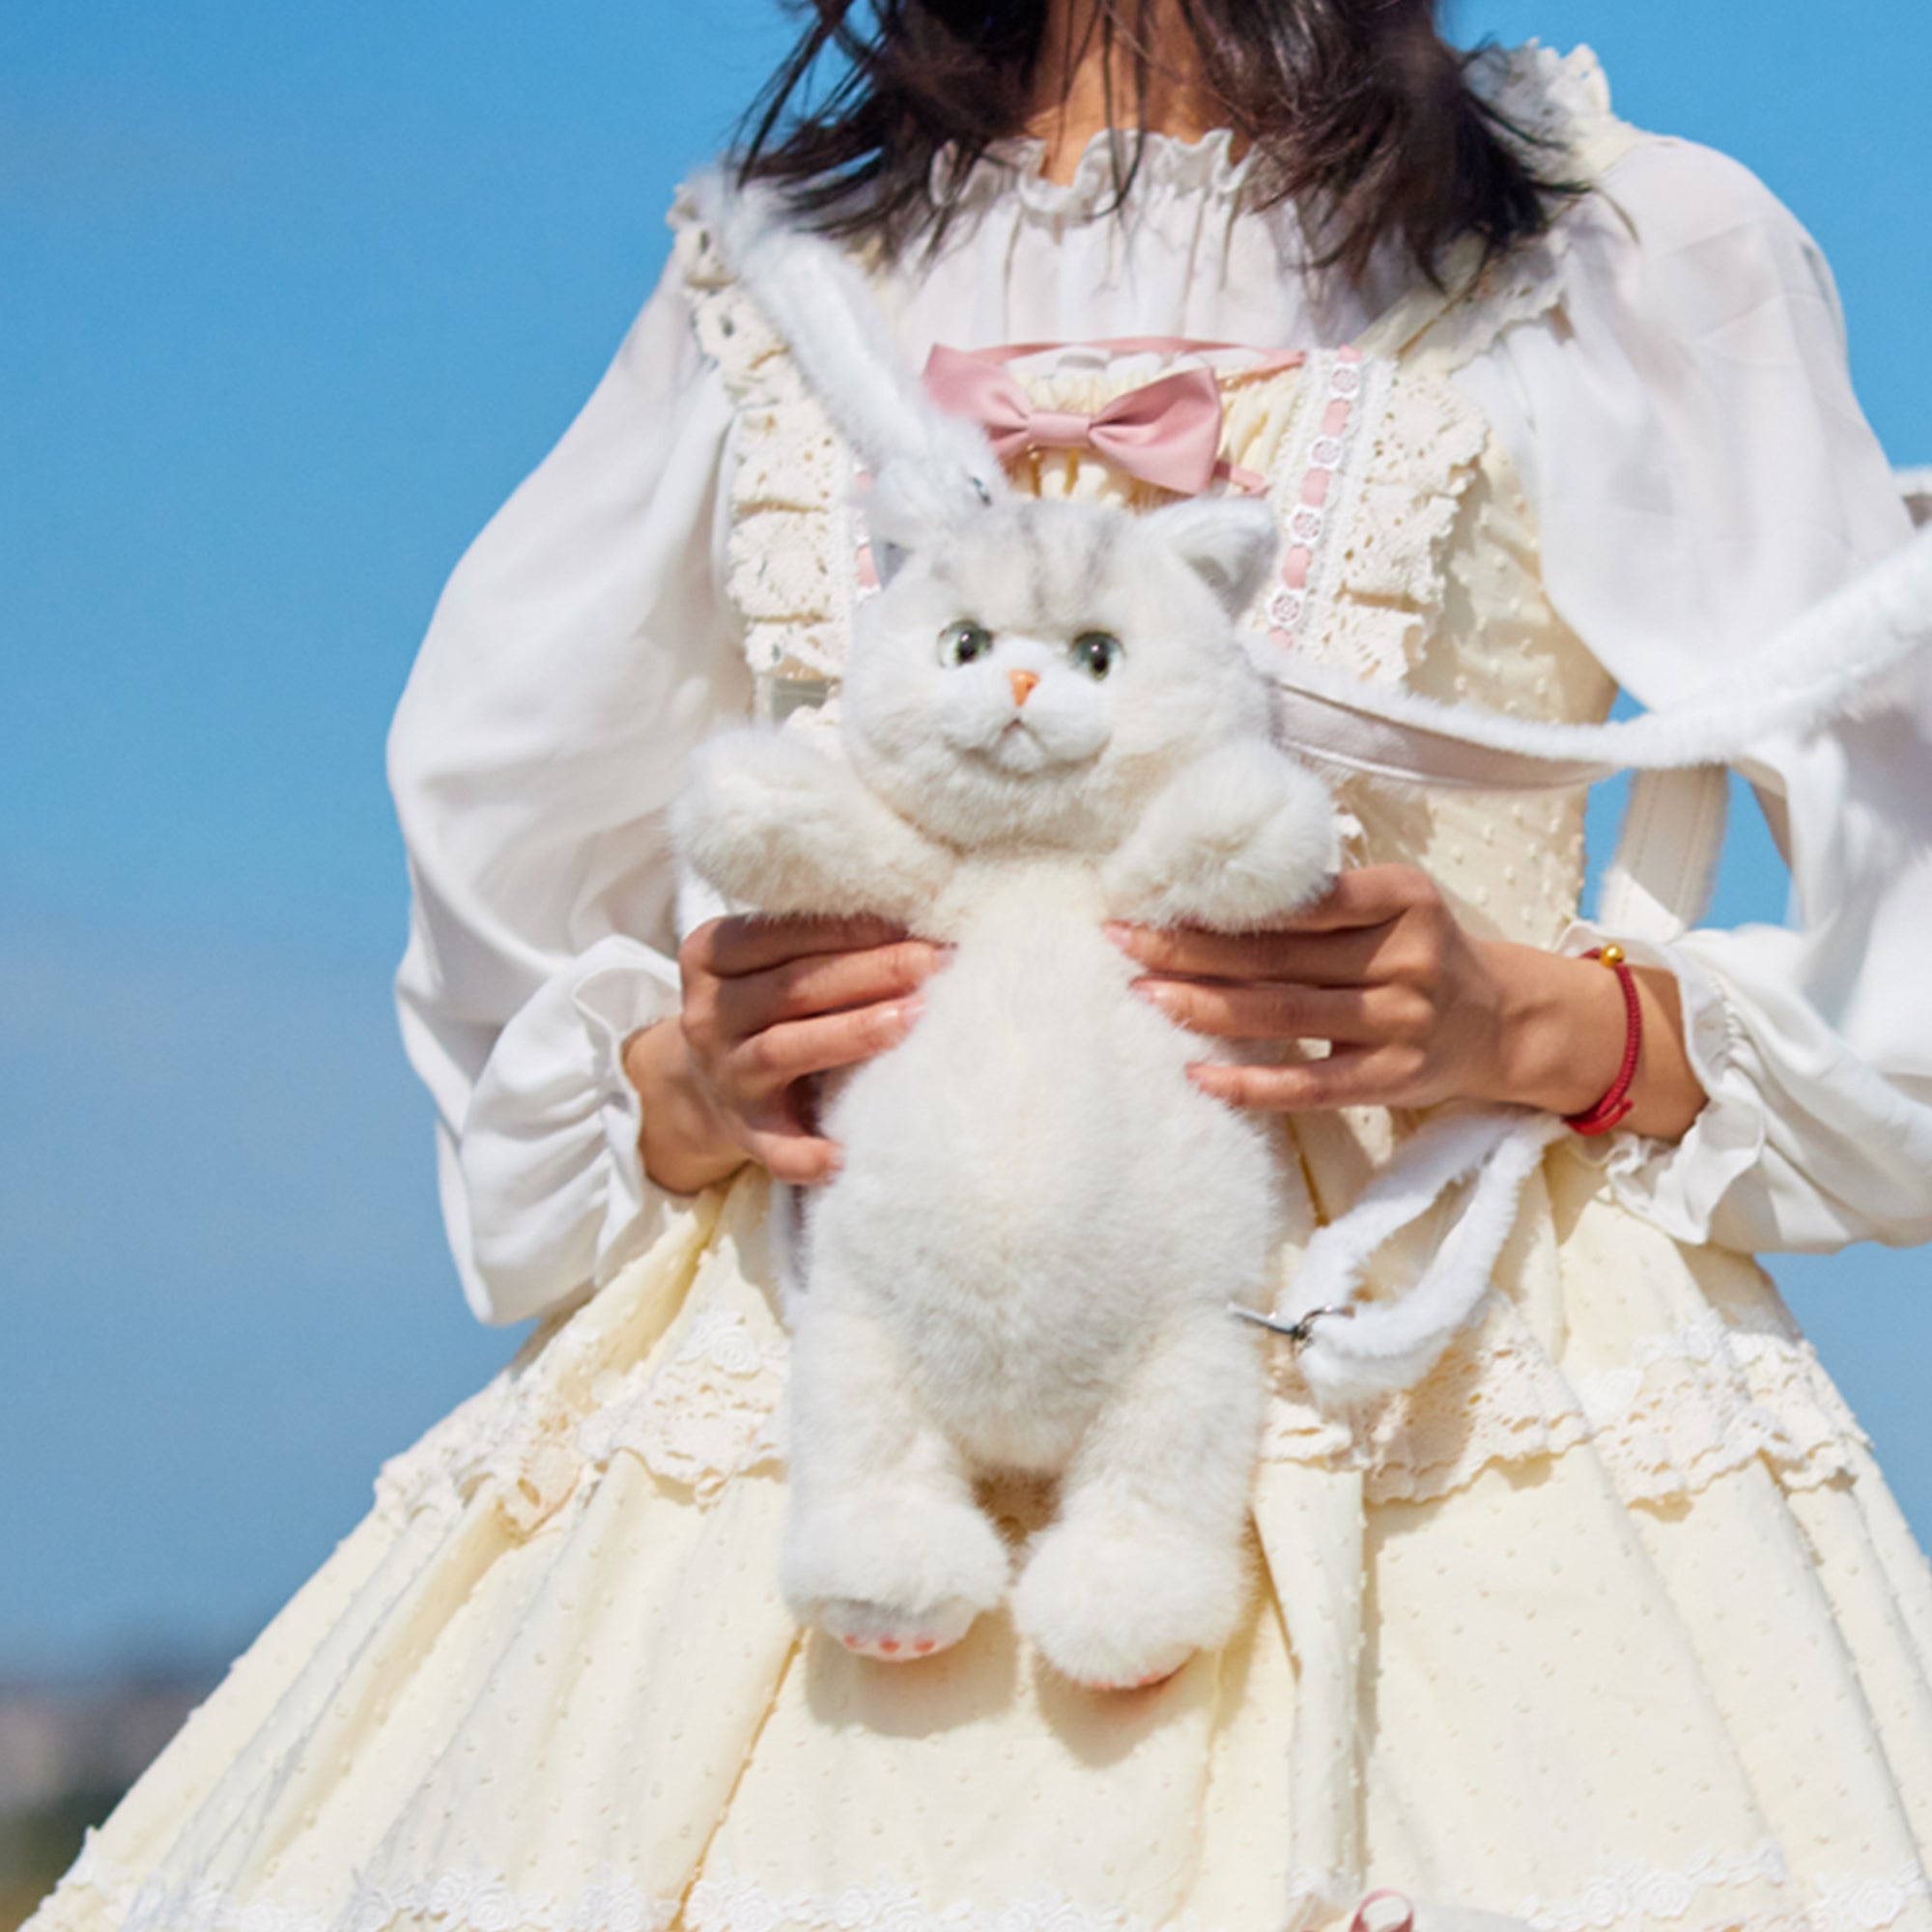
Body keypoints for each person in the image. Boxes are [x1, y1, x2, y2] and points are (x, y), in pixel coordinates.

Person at [25, 4, 1932, 1929]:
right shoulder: (771, 276)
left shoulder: (1619, 241)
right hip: (809, 1410)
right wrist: (677, 1081)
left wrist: (1545, 1020)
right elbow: (499, 820)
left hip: (1440, 1414)